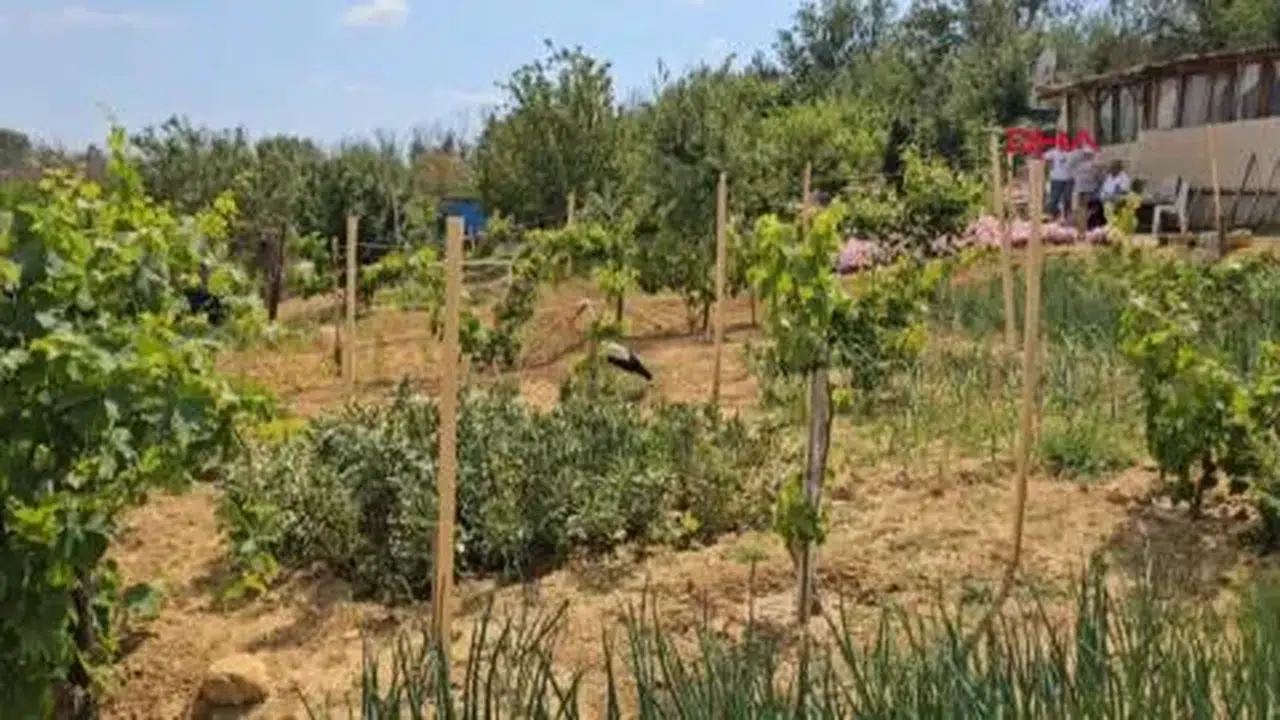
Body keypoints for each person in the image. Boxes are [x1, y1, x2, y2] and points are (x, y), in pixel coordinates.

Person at [1043, 141, 1075, 220]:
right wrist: (1050, 165)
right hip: (1057, 178)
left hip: (1069, 179)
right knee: (1055, 197)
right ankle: (1053, 214)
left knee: (1068, 197)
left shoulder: (1071, 153)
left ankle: (1067, 215)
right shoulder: (1053, 153)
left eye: (1066, 144)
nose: (1064, 146)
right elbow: (1044, 157)